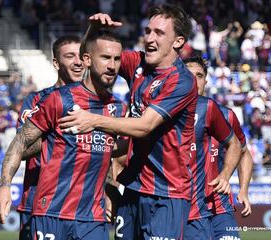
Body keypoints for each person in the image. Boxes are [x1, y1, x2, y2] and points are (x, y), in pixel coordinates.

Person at [59, 5, 201, 239]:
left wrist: (92, 120)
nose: (149, 38)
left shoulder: (182, 81)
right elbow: (92, 55)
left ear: (178, 41)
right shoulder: (138, 64)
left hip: (167, 193)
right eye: (148, 31)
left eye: (159, 33)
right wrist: (93, 31)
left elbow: (144, 126)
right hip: (133, 189)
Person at [0, 30, 127, 240]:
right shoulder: (52, 99)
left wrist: (110, 189)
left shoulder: (118, 108)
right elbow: (21, 143)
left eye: (117, 59)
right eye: (106, 58)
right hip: (49, 209)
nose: (112, 65)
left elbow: (106, 155)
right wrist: (4, 186)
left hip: (92, 217)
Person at [14, 35, 85, 240]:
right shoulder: (36, 100)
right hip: (37, 203)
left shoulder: (96, 105)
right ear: (56, 63)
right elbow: (22, 148)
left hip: (83, 209)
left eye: (81, 56)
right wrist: (55, 133)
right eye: (70, 56)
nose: (78, 62)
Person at [184, 57, 253, 240]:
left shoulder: (226, 116)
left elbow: (244, 153)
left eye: (199, 76)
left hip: (220, 208)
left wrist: (243, 189)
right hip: (184, 208)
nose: (194, 80)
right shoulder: (167, 115)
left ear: (206, 82)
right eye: (189, 75)